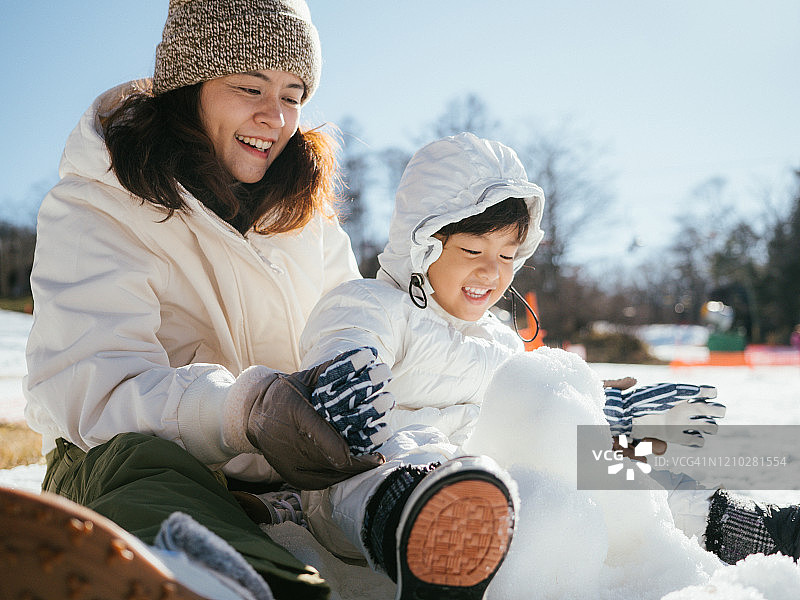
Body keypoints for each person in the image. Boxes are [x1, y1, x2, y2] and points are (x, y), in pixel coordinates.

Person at [16, 1, 421, 599]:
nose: (274, 117)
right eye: (250, 87)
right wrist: (241, 412)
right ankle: (207, 581)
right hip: (128, 466)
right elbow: (93, 392)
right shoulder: (98, 205)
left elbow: (348, 328)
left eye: (292, 94)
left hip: (290, 480)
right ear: (189, 87)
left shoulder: (306, 220)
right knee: (147, 471)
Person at [293, 132, 800, 580]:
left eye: (507, 256)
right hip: (380, 478)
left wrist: (608, 414)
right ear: (423, 243)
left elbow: (542, 409)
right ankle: (433, 536)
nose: (492, 273)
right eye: (473, 251)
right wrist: (346, 373)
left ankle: (741, 525)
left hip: (501, 490)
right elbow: (346, 339)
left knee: (605, 464)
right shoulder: (374, 303)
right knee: (412, 456)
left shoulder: (502, 340)